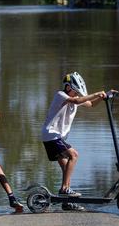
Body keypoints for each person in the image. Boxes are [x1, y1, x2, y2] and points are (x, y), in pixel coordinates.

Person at [41, 72, 106, 211]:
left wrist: (102, 97)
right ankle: (65, 190)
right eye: (75, 91)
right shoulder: (61, 95)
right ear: (68, 87)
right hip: (52, 135)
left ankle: (66, 202)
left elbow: (91, 104)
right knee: (74, 155)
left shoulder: (75, 99)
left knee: (66, 169)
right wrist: (96, 93)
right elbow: (77, 101)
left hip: (55, 137)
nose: (76, 94)